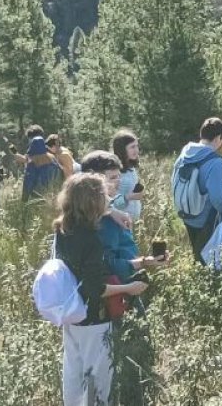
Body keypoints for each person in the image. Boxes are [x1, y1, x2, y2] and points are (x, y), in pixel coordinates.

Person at [53, 173, 147, 406]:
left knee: (73, 373)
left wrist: (111, 212)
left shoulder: (64, 228)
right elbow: (95, 288)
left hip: (71, 315)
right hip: (95, 317)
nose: (108, 199)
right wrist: (129, 288)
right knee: (98, 380)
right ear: (94, 201)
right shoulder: (92, 240)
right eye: (104, 196)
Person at [81, 151, 168, 284]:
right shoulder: (103, 221)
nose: (119, 182)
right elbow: (108, 266)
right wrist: (144, 262)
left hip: (125, 281)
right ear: (94, 181)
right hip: (116, 288)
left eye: (119, 176)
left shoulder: (108, 209)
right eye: (113, 178)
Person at [171, 118, 222, 264]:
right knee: (208, 261)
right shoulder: (216, 162)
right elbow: (218, 199)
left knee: (197, 256)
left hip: (186, 214)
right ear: (218, 138)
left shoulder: (185, 153)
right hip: (205, 219)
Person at [112, 130, 143, 221]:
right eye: (132, 147)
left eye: (137, 146)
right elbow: (111, 204)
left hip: (131, 222)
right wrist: (129, 197)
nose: (136, 150)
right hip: (119, 222)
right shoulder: (114, 172)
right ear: (122, 149)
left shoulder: (131, 168)